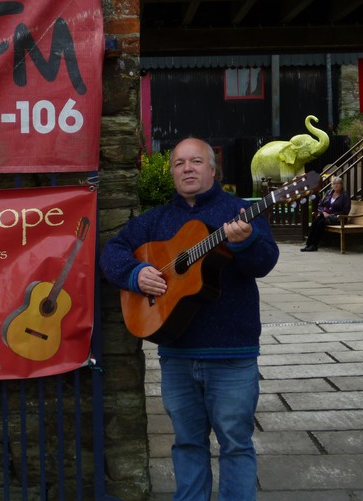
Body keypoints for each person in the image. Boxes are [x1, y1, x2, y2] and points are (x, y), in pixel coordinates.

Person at [100, 137, 279, 500]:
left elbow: (264, 262)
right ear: (172, 174)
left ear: (213, 169)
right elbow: (112, 252)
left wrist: (243, 243)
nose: (187, 169)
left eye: (196, 162)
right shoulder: (157, 220)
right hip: (177, 353)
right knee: (187, 444)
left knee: (236, 445)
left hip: (232, 353)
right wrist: (135, 275)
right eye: (179, 163)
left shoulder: (238, 212)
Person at [301, 176, 351, 252]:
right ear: (332, 185)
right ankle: (308, 244)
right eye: (334, 184)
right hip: (325, 216)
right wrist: (322, 212)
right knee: (315, 222)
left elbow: (346, 210)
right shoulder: (329, 193)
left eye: (338, 183)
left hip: (338, 218)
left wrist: (330, 215)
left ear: (341, 185)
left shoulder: (345, 195)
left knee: (321, 222)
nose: (336, 185)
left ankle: (314, 245)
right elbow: (320, 205)